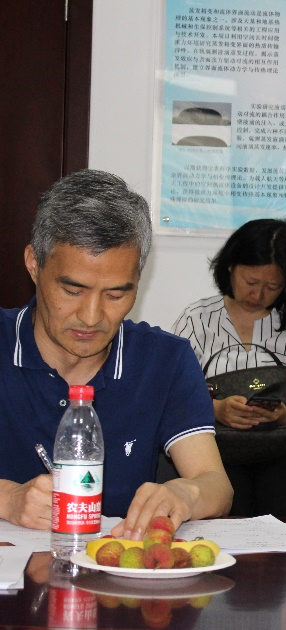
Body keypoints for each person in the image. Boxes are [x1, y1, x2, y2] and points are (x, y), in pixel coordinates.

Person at [0, 169, 232, 537]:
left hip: (113, 567)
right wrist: (8, 498)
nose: (91, 317)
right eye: (73, 291)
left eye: (116, 294)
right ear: (33, 263)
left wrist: (186, 493)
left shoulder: (164, 360)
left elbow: (216, 484)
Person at [173, 219, 286, 517]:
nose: (257, 296)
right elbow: (173, 393)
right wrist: (216, 410)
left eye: (272, 287)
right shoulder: (197, 319)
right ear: (230, 267)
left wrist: (285, 416)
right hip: (217, 452)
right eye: (250, 282)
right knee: (224, 506)